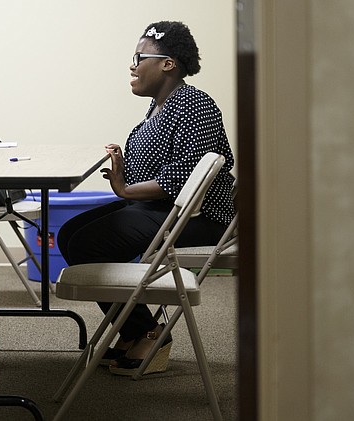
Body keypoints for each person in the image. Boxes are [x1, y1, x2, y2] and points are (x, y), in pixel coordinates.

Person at [58, 20, 235, 376]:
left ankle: (145, 331)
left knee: (91, 245)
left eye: (140, 56)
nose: (132, 65)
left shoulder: (193, 104)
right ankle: (134, 329)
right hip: (163, 209)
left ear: (168, 64)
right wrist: (126, 174)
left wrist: (123, 189)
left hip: (199, 218)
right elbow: (156, 173)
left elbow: (183, 178)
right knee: (69, 234)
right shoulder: (159, 105)